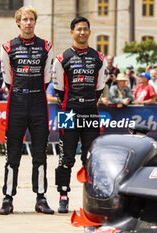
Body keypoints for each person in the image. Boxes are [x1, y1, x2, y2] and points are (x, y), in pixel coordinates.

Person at [0, 6, 54, 215]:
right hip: (17, 102)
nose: (28, 23)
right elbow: (7, 79)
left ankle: (41, 197)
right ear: (18, 23)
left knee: (40, 153)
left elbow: (47, 77)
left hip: (39, 102)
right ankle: (7, 198)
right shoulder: (8, 46)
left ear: (35, 22)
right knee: (12, 154)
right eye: (24, 19)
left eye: (31, 19)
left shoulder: (46, 46)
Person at [53, 16, 106, 213]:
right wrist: (72, 104)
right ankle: (63, 195)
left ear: (89, 32)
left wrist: (87, 102)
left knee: (90, 156)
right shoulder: (62, 58)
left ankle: (91, 196)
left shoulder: (99, 58)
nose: (82, 32)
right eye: (78, 29)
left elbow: (99, 88)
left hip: (91, 111)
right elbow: (58, 89)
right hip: (68, 112)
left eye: (85, 29)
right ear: (72, 32)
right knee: (65, 157)